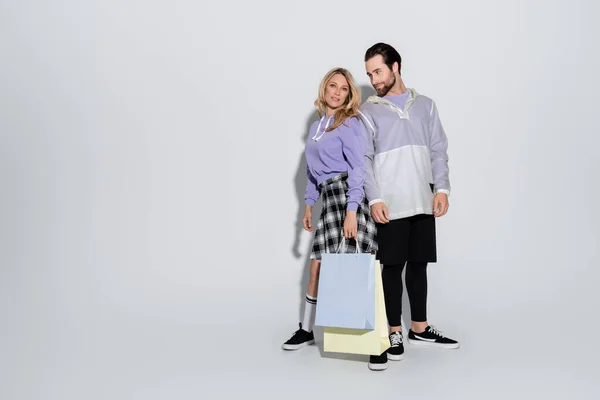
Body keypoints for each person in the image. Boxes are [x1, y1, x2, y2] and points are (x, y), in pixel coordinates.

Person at [358, 42, 460, 370]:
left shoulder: (426, 106)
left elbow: (438, 149)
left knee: (419, 264)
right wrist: (374, 198)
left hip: (423, 199)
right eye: (369, 73)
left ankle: (419, 327)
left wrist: (441, 189)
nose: (374, 79)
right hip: (390, 203)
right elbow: (363, 160)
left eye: (378, 71)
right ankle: (394, 331)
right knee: (392, 266)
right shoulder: (367, 111)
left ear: (396, 66)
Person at [281, 67, 382, 370]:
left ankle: (375, 342)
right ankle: (307, 329)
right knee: (317, 267)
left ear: (350, 95)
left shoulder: (350, 123)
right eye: (333, 87)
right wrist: (309, 205)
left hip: (348, 197)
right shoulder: (316, 127)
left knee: (359, 265)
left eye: (344, 89)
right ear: (324, 89)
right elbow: (312, 174)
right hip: (327, 199)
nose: (337, 93)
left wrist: (352, 210)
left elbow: (358, 169)